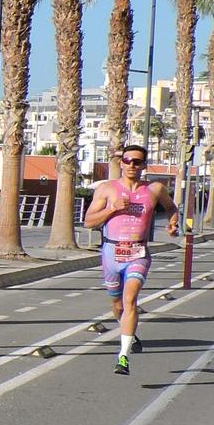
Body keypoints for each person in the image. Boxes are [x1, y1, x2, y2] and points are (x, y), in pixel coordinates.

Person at [82, 143, 178, 374]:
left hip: (138, 252)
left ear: (144, 165)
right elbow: (89, 222)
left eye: (137, 161)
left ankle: (123, 357)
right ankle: (129, 332)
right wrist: (112, 209)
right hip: (111, 252)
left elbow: (171, 208)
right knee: (117, 304)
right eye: (127, 161)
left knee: (130, 299)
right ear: (121, 163)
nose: (132, 165)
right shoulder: (107, 189)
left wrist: (173, 224)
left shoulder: (155, 189)